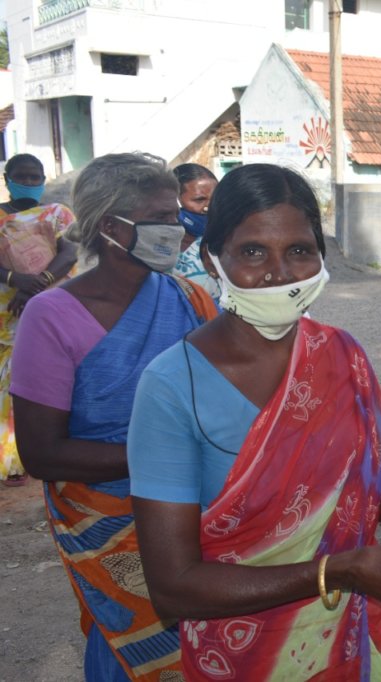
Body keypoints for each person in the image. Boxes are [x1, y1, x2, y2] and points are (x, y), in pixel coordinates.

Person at [127, 164, 381, 681]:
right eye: (253, 252)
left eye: (299, 250)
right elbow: (173, 587)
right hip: (241, 654)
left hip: (357, 635)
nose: (280, 274)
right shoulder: (170, 386)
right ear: (212, 259)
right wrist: (334, 572)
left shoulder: (340, 354)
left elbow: (321, 486)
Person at [11, 152, 218, 681]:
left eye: (177, 215)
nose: (178, 229)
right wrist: (168, 457)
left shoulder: (191, 299)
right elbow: (42, 454)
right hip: (108, 525)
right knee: (130, 653)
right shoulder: (50, 316)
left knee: (211, 644)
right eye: (162, 218)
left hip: (199, 511)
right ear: (111, 227)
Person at [0, 154, 78, 486]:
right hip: (8, 308)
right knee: (10, 379)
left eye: (36, 177)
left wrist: (36, 284)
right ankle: (11, 456)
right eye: (22, 177)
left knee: (49, 375)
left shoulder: (58, 213)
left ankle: (52, 445)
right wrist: (14, 280)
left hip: (50, 303)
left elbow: (70, 252)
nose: (30, 183)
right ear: (7, 179)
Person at [172, 163, 220, 298]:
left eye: (215, 199)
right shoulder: (158, 247)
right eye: (200, 200)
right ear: (175, 201)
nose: (209, 207)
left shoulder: (227, 240)